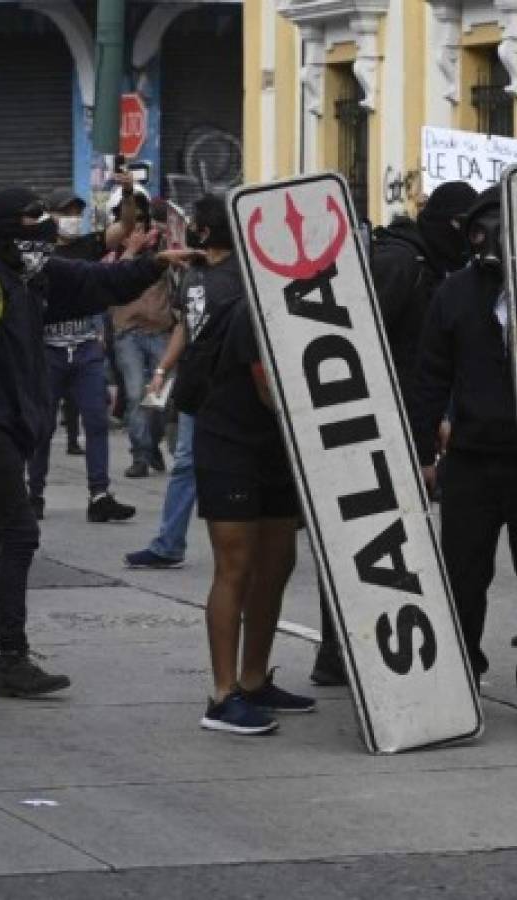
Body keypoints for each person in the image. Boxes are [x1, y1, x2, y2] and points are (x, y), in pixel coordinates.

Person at [0, 187, 191, 693]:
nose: (41, 236)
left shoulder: (34, 277)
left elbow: (101, 280)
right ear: (2, 230)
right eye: (29, 224)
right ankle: (12, 659)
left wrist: (157, 262)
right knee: (19, 533)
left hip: (16, 423)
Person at [310, 179, 476, 688]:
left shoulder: (426, 266)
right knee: (361, 537)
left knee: (387, 539)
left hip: (398, 421)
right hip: (369, 425)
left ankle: (356, 649)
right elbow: (355, 338)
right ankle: (338, 651)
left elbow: (415, 359)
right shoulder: (402, 264)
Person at [191, 193, 315, 735]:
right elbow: (270, 389)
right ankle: (222, 697)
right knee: (236, 569)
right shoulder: (253, 305)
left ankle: (254, 678)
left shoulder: (300, 302)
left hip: (274, 451)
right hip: (231, 445)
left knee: (278, 564)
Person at [411, 186, 517, 698]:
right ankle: (462, 669)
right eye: (487, 227)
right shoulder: (454, 293)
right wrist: (422, 454)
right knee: (463, 577)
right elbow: (430, 378)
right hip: (472, 461)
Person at [123, 194, 238, 571]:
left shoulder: (243, 274)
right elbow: (186, 326)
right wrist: (162, 372)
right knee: (186, 463)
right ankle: (169, 544)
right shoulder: (193, 272)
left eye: (194, 223)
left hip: (234, 387)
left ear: (206, 229)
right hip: (196, 385)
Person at [26, 186, 137, 523]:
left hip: (87, 347)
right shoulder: (36, 253)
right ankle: (34, 495)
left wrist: (128, 192)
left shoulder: (89, 246)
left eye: (76, 212)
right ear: (50, 216)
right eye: (65, 212)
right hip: (48, 350)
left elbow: (127, 227)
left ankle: (99, 494)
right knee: (41, 426)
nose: (72, 219)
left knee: (97, 421)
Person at [108, 188, 173, 479]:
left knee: (161, 398)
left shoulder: (164, 250)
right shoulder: (114, 252)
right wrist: (131, 250)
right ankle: (140, 455)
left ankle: (152, 443)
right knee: (135, 394)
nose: (139, 228)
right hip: (127, 332)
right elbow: (105, 282)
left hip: (160, 330)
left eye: (143, 221)